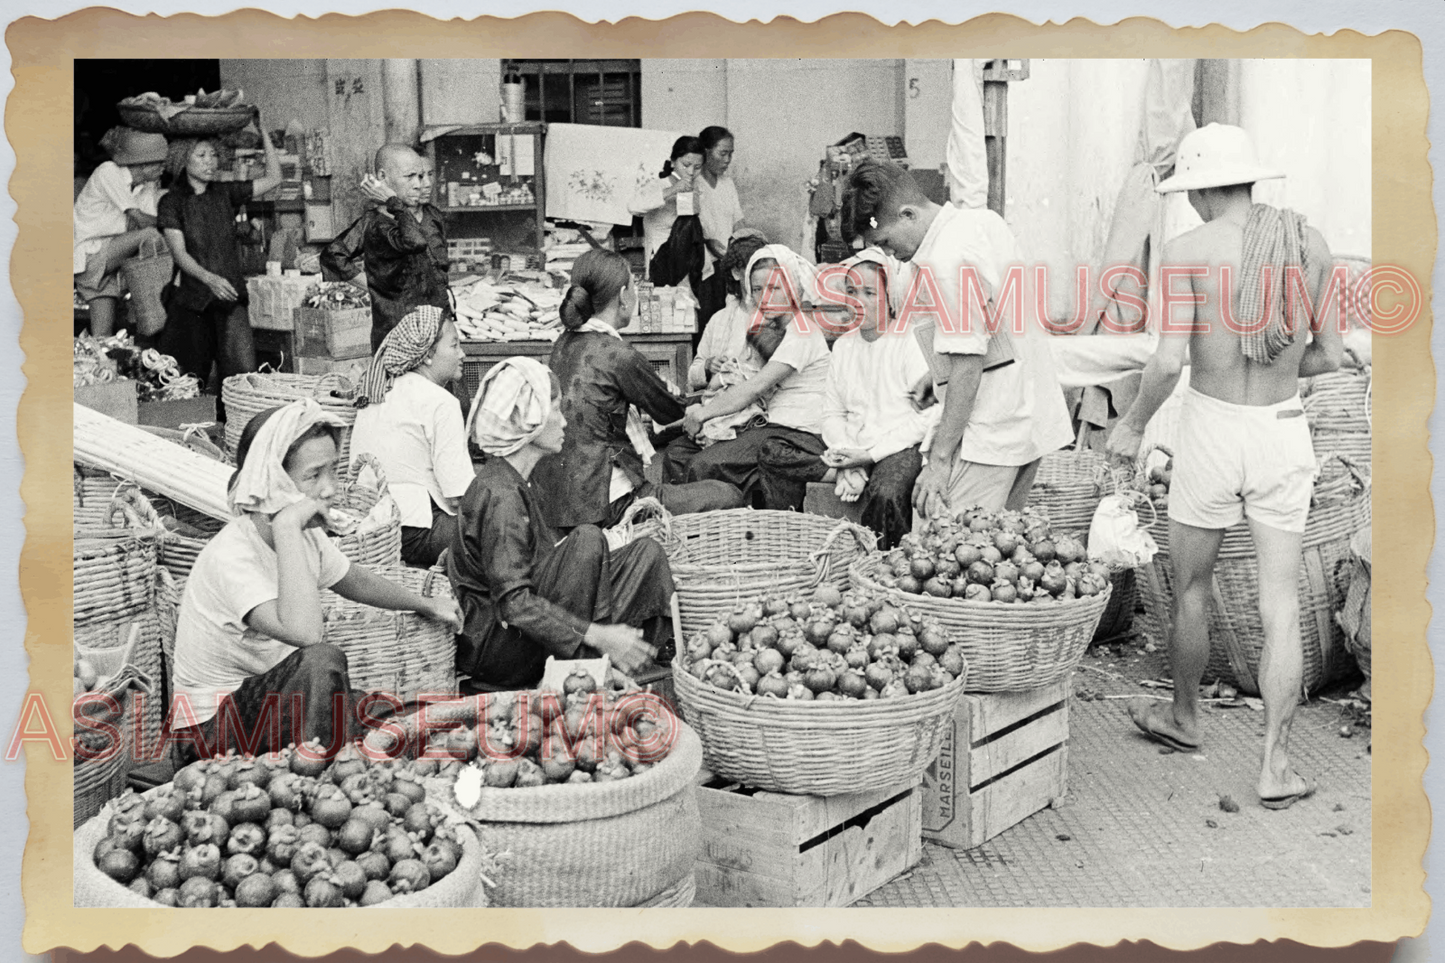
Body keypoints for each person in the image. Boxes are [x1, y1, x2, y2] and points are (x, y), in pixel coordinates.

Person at [1103, 123, 1342, 810]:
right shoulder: (1309, 245)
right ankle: (1275, 766)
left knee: (1190, 588)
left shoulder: (1185, 252)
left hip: (1209, 429)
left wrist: (1132, 424)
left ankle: (1182, 717)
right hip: (1280, 429)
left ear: (1202, 189)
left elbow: (1166, 361)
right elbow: (1328, 353)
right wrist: (1280, 361)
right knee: (1280, 603)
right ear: (1249, 180)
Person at [168, 400, 463, 763]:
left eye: (332, 471)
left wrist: (425, 603)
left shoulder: (304, 537)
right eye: (313, 475)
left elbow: (353, 579)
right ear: (272, 481)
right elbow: (308, 637)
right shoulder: (232, 555)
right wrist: (289, 524)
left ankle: (345, 767)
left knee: (397, 717)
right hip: (207, 734)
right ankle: (323, 782)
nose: (329, 489)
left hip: (266, 708)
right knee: (322, 663)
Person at [841, 157, 1074, 520]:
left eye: (884, 241)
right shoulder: (981, 221)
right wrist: (938, 373)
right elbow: (997, 325)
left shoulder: (947, 260)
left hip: (990, 433)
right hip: (1024, 418)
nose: (889, 254)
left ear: (908, 214)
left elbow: (969, 364)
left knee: (942, 551)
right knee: (997, 550)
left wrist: (939, 461)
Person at [448, 358, 676, 692]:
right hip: (497, 648)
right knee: (586, 540)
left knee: (645, 553)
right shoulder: (500, 495)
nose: (565, 421)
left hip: (518, 629)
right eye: (555, 410)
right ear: (532, 420)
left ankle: (630, 653)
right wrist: (596, 634)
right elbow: (514, 604)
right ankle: (591, 663)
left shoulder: (513, 479)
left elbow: (541, 569)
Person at [533, 248, 744, 530]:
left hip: (558, 502)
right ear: (623, 296)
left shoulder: (562, 344)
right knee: (727, 495)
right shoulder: (617, 354)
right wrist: (723, 392)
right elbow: (672, 409)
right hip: (607, 502)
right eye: (634, 287)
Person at [756, 250, 941, 549]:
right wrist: (847, 456)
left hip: (897, 447)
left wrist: (870, 455)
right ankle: (791, 551)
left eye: (869, 292)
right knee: (771, 452)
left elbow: (926, 418)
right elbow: (832, 412)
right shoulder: (843, 346)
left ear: (889, 296)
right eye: (852, 292)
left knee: (887, 493)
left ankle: (880, 568)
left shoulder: (909, 341)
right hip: (851, 445)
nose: (859, 301)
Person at [663, 244, 831, 504]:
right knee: (676, 454)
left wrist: (704, 413)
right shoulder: (770, 329)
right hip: (766, 425)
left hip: (796, 434)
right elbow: (740, 378)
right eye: (756, 289)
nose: (765, 297)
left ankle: (717, 537)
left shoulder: (803, 332)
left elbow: (755, 387)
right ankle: (677, 529)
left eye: (774, 288)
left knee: (704, 464)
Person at [156, 124, 282, 384]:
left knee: (243, 372)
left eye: (212, 155)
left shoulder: (225, 193)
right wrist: (210, 279)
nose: (210, 162)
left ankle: (235, 423)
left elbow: (274, 178)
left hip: (230, 294)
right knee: (189, 377)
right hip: (194, 300)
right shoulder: (172, 202)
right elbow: (180, 254)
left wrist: (264, 132)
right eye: (201, 156)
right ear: (183, 159)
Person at [350, 305, 473, 568]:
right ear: (427, 355)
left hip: (372, 526)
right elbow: (457, 493)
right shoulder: (441, 402)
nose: (462, 354)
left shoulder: (376, 390)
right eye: (454, 346)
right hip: (416, 532)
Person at [320, 144, 450, 352]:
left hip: (437, 326)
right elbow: (333, 255)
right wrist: (374, 285)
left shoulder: (433, 216)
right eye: (410, 177)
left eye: (422, 176)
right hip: (397, 332)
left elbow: (440, 269)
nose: (419, 184)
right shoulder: (375, 223)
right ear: (383, 176)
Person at [73, 127, 168, 337]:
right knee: (151, 236)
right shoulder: (108, 171)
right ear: (142, 163)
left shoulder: (145, 186)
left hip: (110, 263)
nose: (163, 167)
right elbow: (142, 220)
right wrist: (174, 224)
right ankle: (147, 301)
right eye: (159, 162)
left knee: (103, 337)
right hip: (90, 255)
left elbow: (148, 219)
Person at [686, 230, 768, 392]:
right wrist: (708, 366)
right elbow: (691, 377)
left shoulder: (774, 317)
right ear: (736, 272)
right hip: (720, 406)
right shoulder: (719, 320)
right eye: (752, 269)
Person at [629, 136, 706, 292]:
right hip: (662, 264)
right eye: (686, 165)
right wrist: (673, 190)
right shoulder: (657, 185)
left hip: (689, 265)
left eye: (697, 167)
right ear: (672, 162)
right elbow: (633, 206)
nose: (691, 172)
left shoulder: (697, 188)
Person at [693, 126, 746, 329]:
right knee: (708, 320)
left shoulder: (727, 183)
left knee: (730, 321)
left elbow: (738, 221)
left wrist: (745, 248)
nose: (727, 160)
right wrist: (727, 258)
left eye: (730, 154)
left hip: (729, 263)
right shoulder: (694, 185)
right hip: (707, 265)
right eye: (723, 153)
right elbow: (705, 234)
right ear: (706, 152)